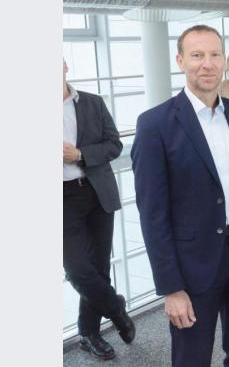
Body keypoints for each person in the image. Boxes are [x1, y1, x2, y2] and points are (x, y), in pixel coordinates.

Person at [132, 25, 229, 367]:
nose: (207, 64)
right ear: (181, 60)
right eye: (197, 55)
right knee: (192, 356)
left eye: (215, 55)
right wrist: (170, 287)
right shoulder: (155, 124)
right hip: (190, 262)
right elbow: (152, 214)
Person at [63, 59, 135, 361]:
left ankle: (88, 334)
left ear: (64, 65)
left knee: (99, 267)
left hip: (96, 193)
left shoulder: (92, 102)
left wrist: (79, 154)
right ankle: (116, 309)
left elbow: (114, 145)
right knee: (78, 270)